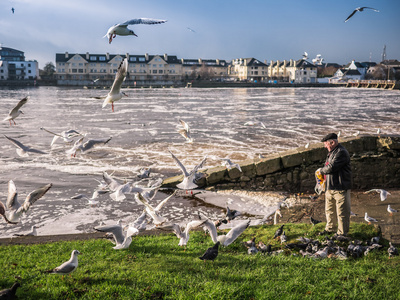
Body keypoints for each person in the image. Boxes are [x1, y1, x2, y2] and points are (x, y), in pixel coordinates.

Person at [317, 133, 352, 237]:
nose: (324, 146)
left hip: (341, 187)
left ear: (332, 142)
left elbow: (331, 168)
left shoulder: (341, 152)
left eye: (326, 144)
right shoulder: (331, 152)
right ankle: (330, 229)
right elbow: (328, 167)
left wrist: (320, 171)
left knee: (342, 213)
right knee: (329, 210)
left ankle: (342, 233)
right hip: (330, 187)